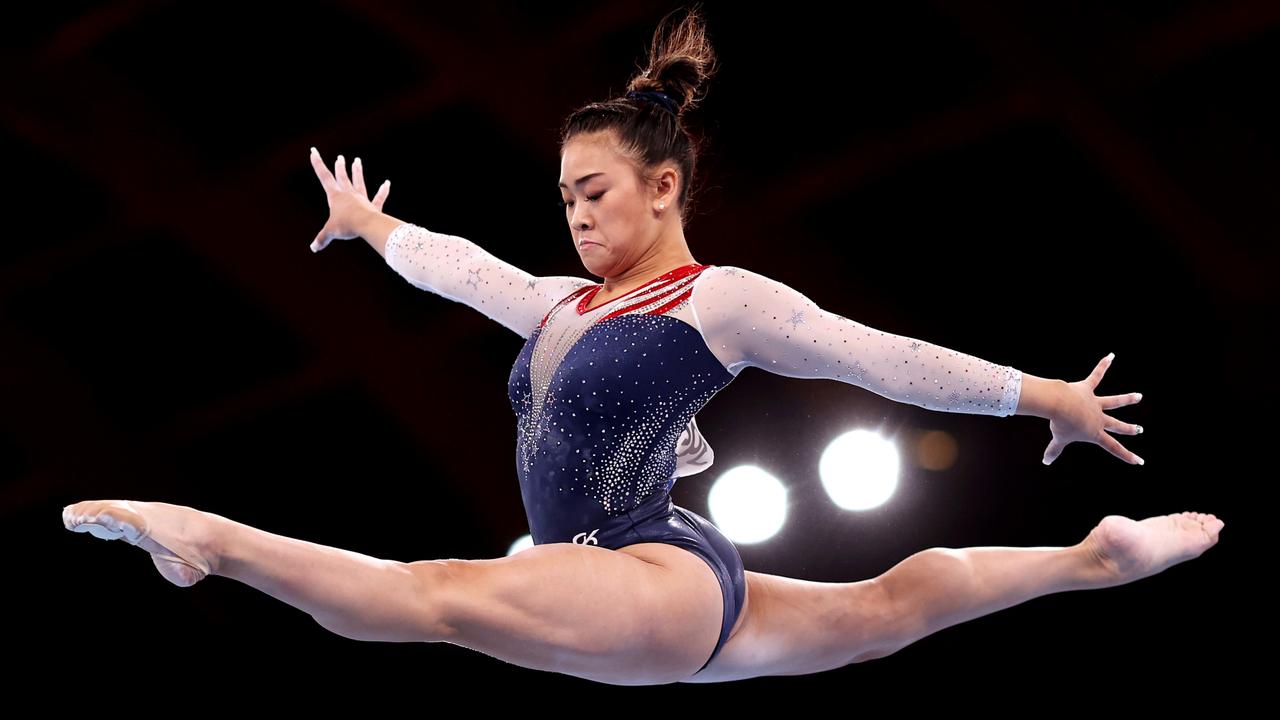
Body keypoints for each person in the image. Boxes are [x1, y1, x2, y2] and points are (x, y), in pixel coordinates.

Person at [62, 5, 1222, 687]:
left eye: (595, 191)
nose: (575, 214)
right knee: (891, 604)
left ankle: (211, 539)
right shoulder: (565, 306)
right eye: (564, 196)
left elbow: (875, 356)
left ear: (662, 187)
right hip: (624, 570)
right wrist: (376, 232)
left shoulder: (717, 302)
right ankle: (1094, 561)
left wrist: (1043, 400)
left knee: (434, 596)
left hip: (652, 570)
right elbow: (466, 270)